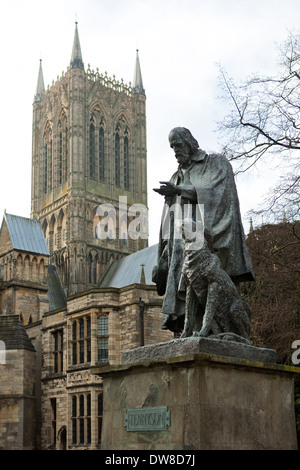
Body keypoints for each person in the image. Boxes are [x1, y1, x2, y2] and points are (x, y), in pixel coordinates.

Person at [153, 127, 255, 333]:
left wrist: (179, 190)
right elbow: (169, 220)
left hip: (207, 240)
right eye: (172, 147)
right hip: (182, 240)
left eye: (178, 145)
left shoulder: (215, 164)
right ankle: (188, 329)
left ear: (189, 142)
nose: (175, 151)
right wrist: (163, 255)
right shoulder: (176, 176)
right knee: (183, 269)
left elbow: (215, 193)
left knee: (207, 279)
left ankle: (214, 330)